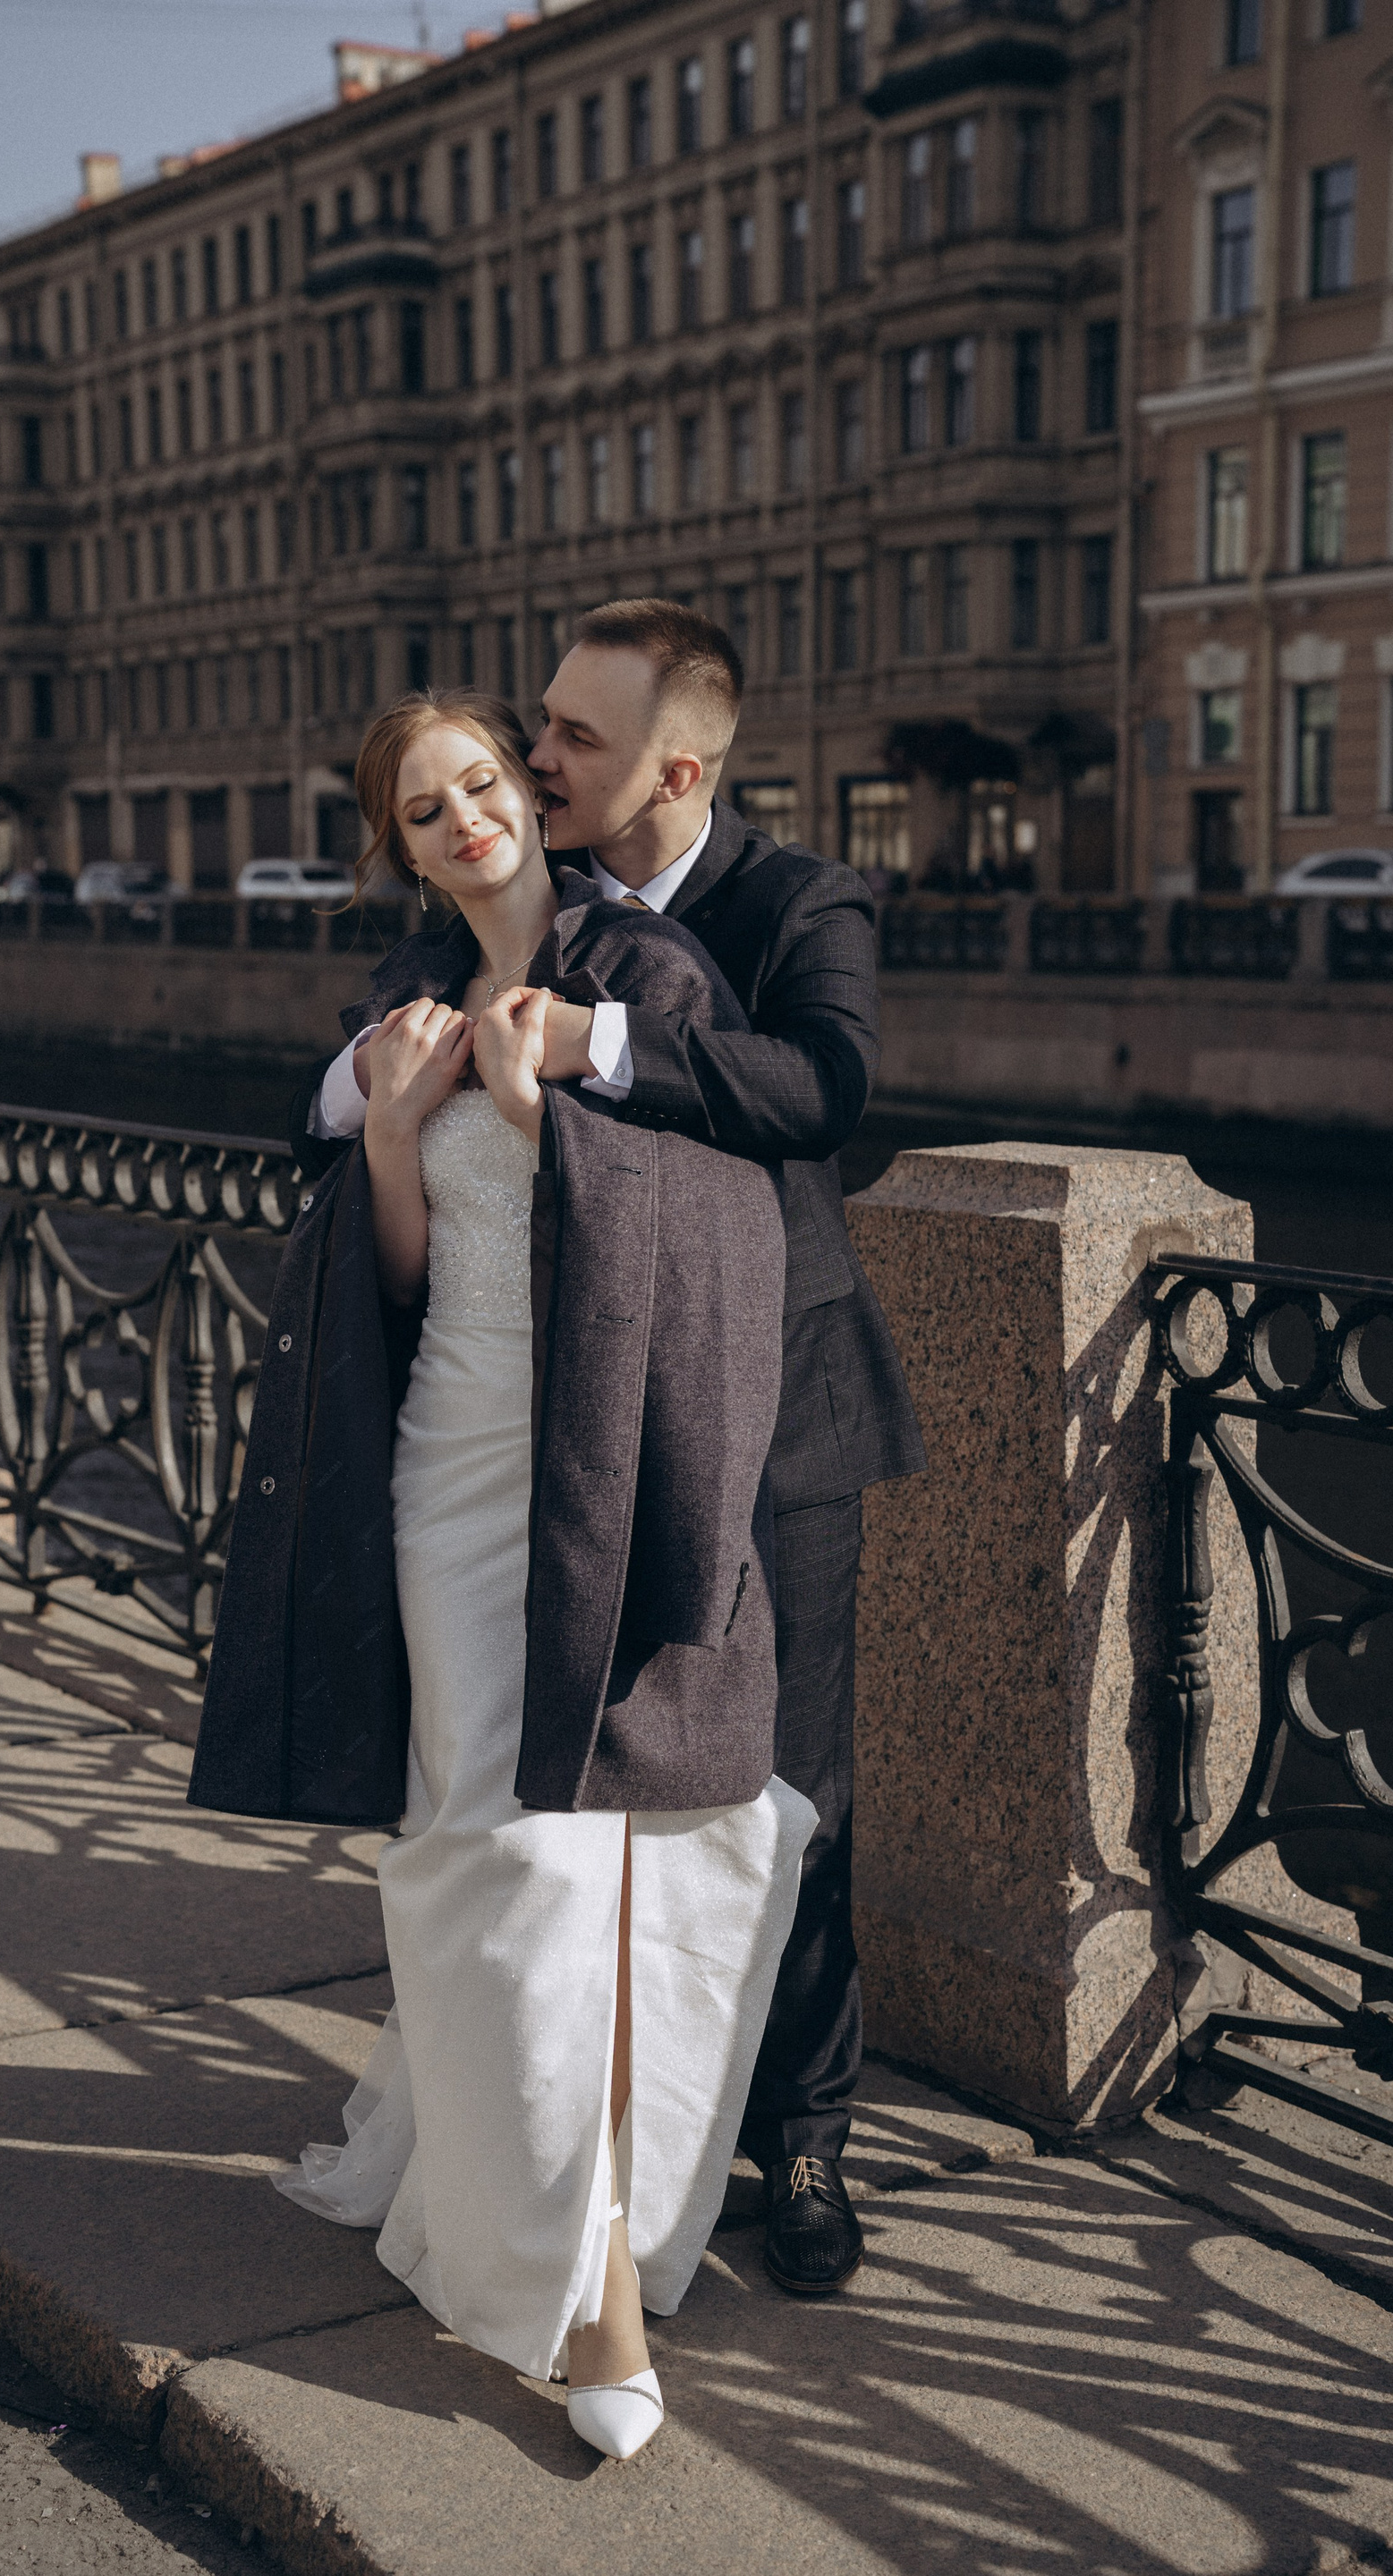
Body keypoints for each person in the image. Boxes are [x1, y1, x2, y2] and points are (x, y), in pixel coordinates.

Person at [189, 687, 816, 2462]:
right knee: (485, 1859)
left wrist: (548, 1108)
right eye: (424, 805)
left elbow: (722, 1224)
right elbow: (394, 1275)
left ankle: (587, 2246)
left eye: (483, 782)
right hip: (446, 1474)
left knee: (607, 1874)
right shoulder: (406, 1008)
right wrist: (397, 1130)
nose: (464, 816)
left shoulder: (650, 975)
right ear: (396, 844)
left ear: (533, 800)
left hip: (608, 1466)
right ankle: (550, 2246)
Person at [297, 602, 925, 2299]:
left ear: (679, 769)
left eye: (574, 737)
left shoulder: (793, 902)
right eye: (541, 726)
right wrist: (382, 1084)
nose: (539, 756)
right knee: (566, 1813)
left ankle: (802, 2138)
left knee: (782, 1794)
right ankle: (588, 2138)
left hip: (774, 1414)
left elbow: (824, 1090)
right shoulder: (502, 902)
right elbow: (339, 1094)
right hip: (556, 1423)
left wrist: (594, 1045)